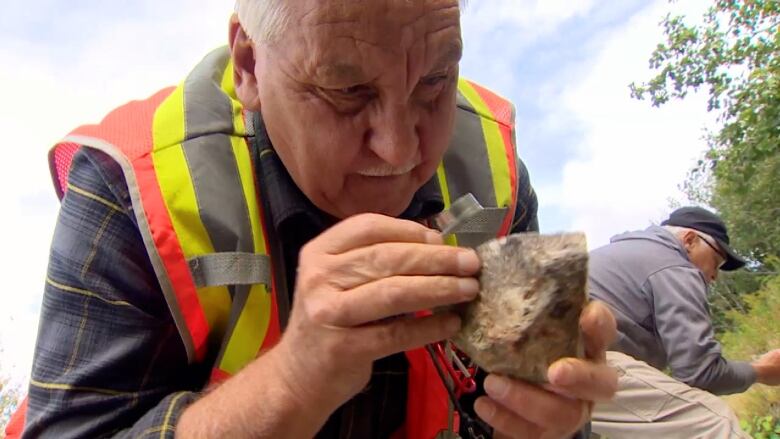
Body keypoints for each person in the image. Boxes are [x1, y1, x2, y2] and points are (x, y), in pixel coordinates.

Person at [10, 1, 618, 438]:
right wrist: (290, 385)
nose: (400, 149)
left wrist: (551, 418)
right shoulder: (134, 187)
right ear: (249, 64)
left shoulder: (492, 172)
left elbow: (519, 410)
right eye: (347, 91)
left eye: (434, 81)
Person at [588, 206, 780, 438]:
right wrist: (761, 371)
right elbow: (700, 373)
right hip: (571, 354)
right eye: (716, 262)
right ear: (689, 240)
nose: (714, 277)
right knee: (712, 424)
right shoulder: (672, 263)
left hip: (547, 359)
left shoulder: (623, 253)